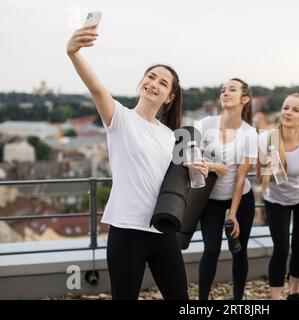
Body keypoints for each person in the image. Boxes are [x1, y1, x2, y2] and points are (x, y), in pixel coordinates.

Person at [66, 24, 207, 300]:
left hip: (162, 228)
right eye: (151, 77)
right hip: (127, 231)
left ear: (170, 97)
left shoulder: (172, 136)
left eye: (163, 83)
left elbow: (184, 183)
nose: (154, 83)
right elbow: (96, 88)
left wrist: (196, 169)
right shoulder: (120, 118)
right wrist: (74, 54)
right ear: (142, 81)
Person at [195, 78, 258, 300]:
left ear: (244, 99)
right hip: (210, 198)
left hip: (241, 198)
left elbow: (241, 176)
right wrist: (214, 167)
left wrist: (233, 214)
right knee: (211, 250)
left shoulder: (250, 133)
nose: (225, 92)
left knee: (238, 251)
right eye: (223, 89)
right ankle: (202, 302)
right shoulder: (205, 124)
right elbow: (188, 158)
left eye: (232, 89)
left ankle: (238, 301)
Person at [256, 94, 299, 300]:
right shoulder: (266, 139)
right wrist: (267, 169)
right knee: (281, 248)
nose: (288, 112)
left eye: (295, 110)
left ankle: (294, 293)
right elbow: (259, 176)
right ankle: (276, 297)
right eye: (286, 108)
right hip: (276, 199)